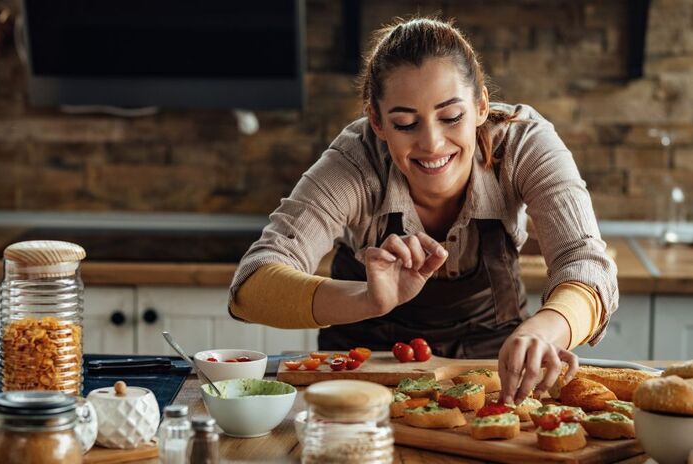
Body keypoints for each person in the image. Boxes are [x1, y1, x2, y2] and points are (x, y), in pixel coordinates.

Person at [227, 17, 618, 405]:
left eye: (451, 117)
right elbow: (250, 287)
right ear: (377, 121)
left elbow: (585, 261)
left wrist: (545, 330)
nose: (431, 143)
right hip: (363, 373)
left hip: (495, 368)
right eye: (405, 123)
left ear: (481, 105)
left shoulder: (523, 144)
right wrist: (367, 298)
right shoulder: (354, 162)